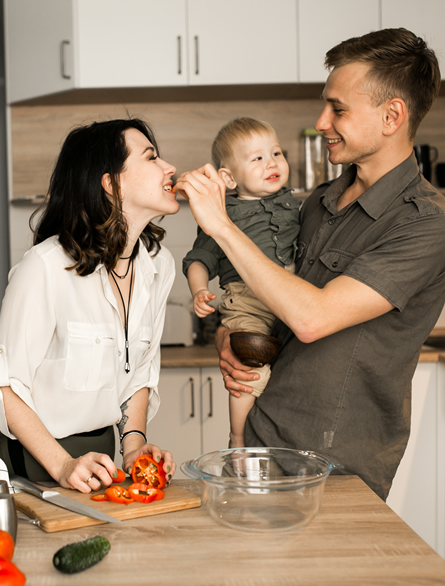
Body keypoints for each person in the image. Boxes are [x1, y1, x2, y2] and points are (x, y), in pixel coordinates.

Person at [175, 28, 445, 500]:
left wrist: (221, 225)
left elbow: (312, 317)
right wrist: (233, 335)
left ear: (392, 116)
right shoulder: (320, 200)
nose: (321, 122)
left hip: (336, 467)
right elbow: (279, 304)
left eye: (337, 109)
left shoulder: (425, 223)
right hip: (261, 436)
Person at [0, 118, 179, 492]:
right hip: (29, 470)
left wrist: (133, 448)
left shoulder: (158, 266)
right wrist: (63, 465)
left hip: (97, 466)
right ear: (111, 183)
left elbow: (138, 372)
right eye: (152, 158)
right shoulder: (45, 268)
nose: (169, 168)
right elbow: (6, 387)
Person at [182, 117, 301, 447]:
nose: (272, 163)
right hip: (248, 301)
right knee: (248, 373)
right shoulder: (222, 215)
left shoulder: (295, 203)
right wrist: (200, 290)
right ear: (228, 177)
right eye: (258, 158)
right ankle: (238, 439)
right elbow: (198, 259)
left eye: (276, 153)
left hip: (294, 296)